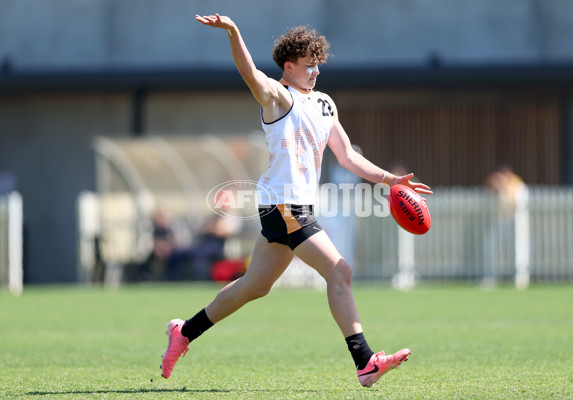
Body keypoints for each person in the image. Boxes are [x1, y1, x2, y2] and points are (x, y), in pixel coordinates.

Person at [160, 13, 432, 387]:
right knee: (340, 272)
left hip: (294, 207)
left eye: (318, 64)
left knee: (255, 286)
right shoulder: (278, 97)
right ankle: (365, 362)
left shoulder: (324, 103)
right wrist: (234, 33)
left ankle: (185, 331)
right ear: (289, 66)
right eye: (309, 66)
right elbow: (248, 73)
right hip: (284, 204)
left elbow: (348, 156)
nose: (316, 71)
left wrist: (390, 179)